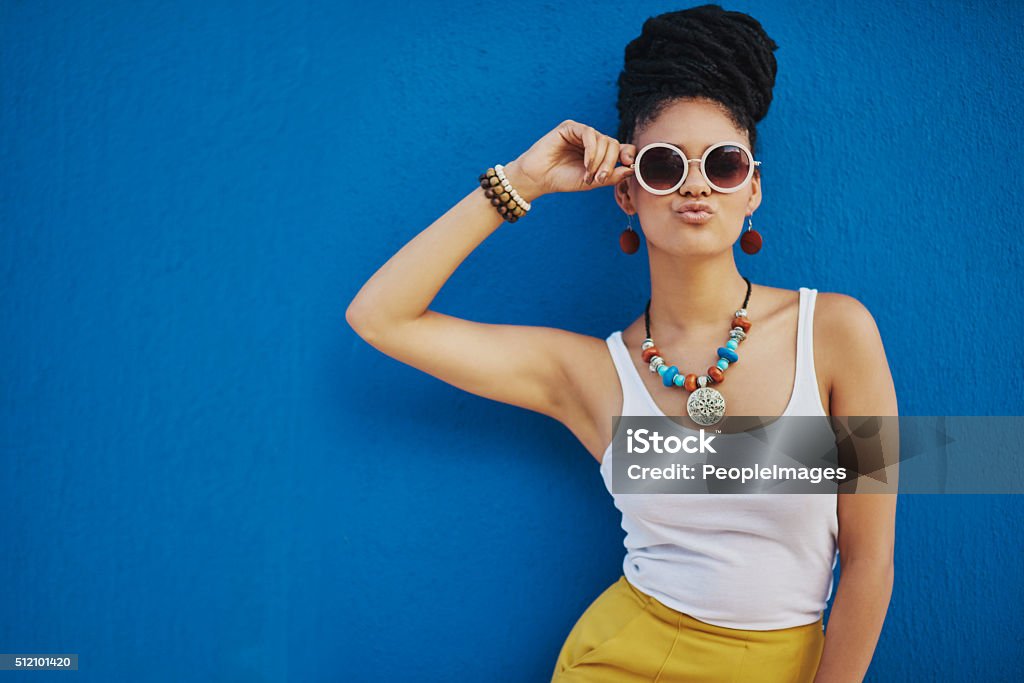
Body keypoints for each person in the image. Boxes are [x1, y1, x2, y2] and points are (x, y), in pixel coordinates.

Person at [346, 4, 897, 681]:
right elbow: (381, 318)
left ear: (752, 187)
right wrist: (523, 181)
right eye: (664, 165)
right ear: (627, 194)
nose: (695, 183)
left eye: (722, 163)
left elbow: (871, 561)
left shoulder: (837, 334)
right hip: (622, 659)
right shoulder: (592, 376)